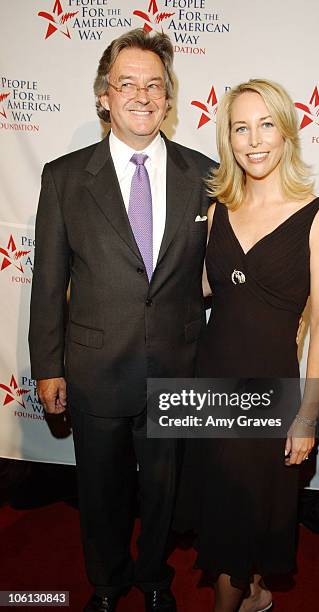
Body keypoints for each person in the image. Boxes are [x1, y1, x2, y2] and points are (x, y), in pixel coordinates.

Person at [28, 29, 213, 612]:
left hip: (176, 367)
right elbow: (49, 282)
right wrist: (47, 366)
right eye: (127, 83)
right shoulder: (63, 179)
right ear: (104, 96)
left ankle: (156, 578)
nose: (142, 94)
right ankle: (106, 585)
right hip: (95, 368)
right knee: (101, 493)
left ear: (169, 98)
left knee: (163, 492)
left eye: (154, 84)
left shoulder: (206, 175)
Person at [176, 79, 319, 612]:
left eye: (265, 124)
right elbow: (200, 287)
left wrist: (308, 416)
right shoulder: (217, 209)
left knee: (234, 516)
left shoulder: (318, 216)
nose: (253, 140)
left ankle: (232, 597)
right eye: (240, 127)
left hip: (269, 391)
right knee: (224, 508)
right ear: (228, 138)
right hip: (210, 382)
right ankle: (251, 592)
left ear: (286, 131)